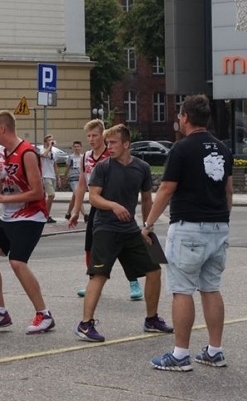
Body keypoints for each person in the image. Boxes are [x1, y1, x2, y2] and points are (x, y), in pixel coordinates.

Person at [144, 95, 233, 372]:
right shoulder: (223, 149)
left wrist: (148, 223)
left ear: (185, 118)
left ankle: (180, 354)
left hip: (189, 227)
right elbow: (228, 191)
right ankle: (214, 351)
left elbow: (166, 189)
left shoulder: (181, 149)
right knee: (211, 287)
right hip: (218, 226)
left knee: (182, 290)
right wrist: (222, 219)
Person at [74, 124, 173, 343]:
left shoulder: (142, 167)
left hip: (131, 229)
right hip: (105, 228)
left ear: (126, 144)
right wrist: (113, 205)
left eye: (113, 143)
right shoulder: (103, 167)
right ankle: (85, 325)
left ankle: (152, 320)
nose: (108, 147)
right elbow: (94, 197)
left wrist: (148, 227)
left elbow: (146, 199)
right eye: (107, 143)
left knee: (154, 270)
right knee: (99, 275)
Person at [0, 111, 55, 335]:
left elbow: (37, 192)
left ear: (3, 129)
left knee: (17, 262)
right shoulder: (0, 152)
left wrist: (2, 199)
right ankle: (0, 312)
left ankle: (44, 314)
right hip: (9, 216)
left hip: (31, 215)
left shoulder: (27, 153)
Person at [69, 119, 143, 301]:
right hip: (97, 207)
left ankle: (133, 281)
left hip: (116, 205)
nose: (91, 139)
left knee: (124, 247)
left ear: (102, 136)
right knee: (90, 246)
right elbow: (81, 185)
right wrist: (75, 211)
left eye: (95, 135)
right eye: (88, 136)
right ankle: (93, 281)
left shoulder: (111, 156)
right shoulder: (86, 157)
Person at [40, 134, 60, 223]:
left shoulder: (54, 153)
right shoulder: (43, 150)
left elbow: (55, 165)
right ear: (45, 142)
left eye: (52, 140)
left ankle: (45, 214)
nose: (51, 141)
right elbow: (44, 155)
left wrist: (58, 177)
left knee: (48, 197)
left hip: (52, 176)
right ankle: (46, 214)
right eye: (49, 140)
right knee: (51, 195)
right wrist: (49, 147)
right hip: (45, 175)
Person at [63, 141, 85, 221]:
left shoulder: (83, 157)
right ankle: (85, 215)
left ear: (81, 147)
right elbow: (67, 168)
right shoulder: (70, 157)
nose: (76, 148)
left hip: (81, 179)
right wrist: (65, 177)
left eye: (78, 146)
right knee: (78, 196)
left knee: (75, 197)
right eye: (75, 147)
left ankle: (68, 213)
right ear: (73, 148)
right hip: (73, 178)